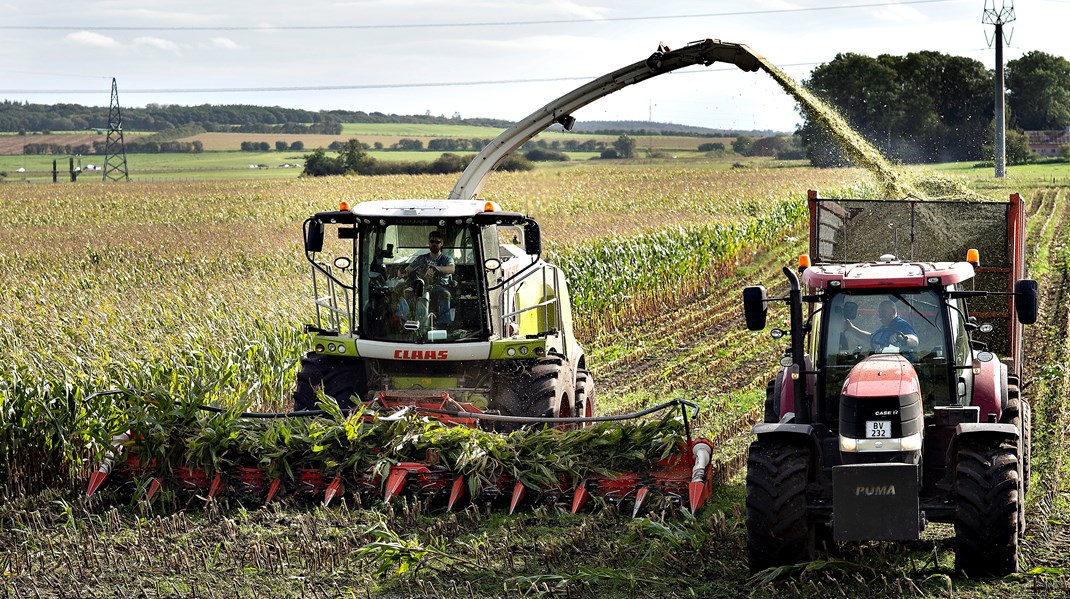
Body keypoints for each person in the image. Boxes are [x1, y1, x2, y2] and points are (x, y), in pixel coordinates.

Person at [405, 231, 455, 324]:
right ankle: (409, 321)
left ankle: (444, 324)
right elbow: (408, 270)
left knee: (445, 294)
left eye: (437, 242)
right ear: (429, 243)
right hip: (422, 286)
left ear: (442, 243)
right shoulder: (421, 258)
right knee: (407, 292)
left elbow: (451, 269)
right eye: (432, 241)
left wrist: (435, 268)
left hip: (440, 287)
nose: (434, 244)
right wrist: (402, 272)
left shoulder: (447, 258)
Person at [844, 299, 919, 356]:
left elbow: (915, 341)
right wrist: (851, 328)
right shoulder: (884, 328)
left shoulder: (901, 324)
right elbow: (871, 338)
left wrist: (901, 338)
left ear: (892, 312)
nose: (880, 315)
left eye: (883, 312)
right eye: (879, 312)